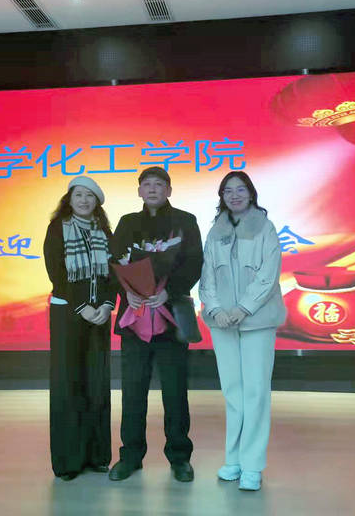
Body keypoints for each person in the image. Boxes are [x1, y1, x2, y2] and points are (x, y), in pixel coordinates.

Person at [108, 166, 203, 483]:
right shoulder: (127, 223)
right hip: (135, 318)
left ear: (169, 190)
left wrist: (168, 291)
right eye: (146, 184)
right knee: (133, 390)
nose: (152, 189)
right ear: (139, 191)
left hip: (171, 316)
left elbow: (194, 262)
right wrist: (127, 292)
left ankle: (180, 457)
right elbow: (114, 261)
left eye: (159, 184)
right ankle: (130, 456)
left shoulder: (185, 221)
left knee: (175, 391)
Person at [198, 171, 286, 491]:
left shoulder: (265, 228)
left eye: (240, 189)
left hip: (257, 320)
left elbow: (268, 274)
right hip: (222, 322)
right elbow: (207, 275)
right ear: (222, 197)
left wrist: (243, 308)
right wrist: (215, 309)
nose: (234, 195)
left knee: (256, 392)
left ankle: (252, 465)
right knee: (233, 391)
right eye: (228, 191)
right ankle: (233, 459)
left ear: (251, 193)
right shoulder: (215, 232)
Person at [42, 175, 116, 481]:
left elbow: (113, 274)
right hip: (68, 315)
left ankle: (97, 456)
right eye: (79, 195)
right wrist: (81, 306)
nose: (84, 200)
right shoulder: (57, 228)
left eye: (90, 196)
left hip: (99, 315)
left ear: (97, 202)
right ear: (69, 200)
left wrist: (107, 306)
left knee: (96, 384)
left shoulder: (105, 232)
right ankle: (69, 461)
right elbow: (57, 273)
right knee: (68, 384)